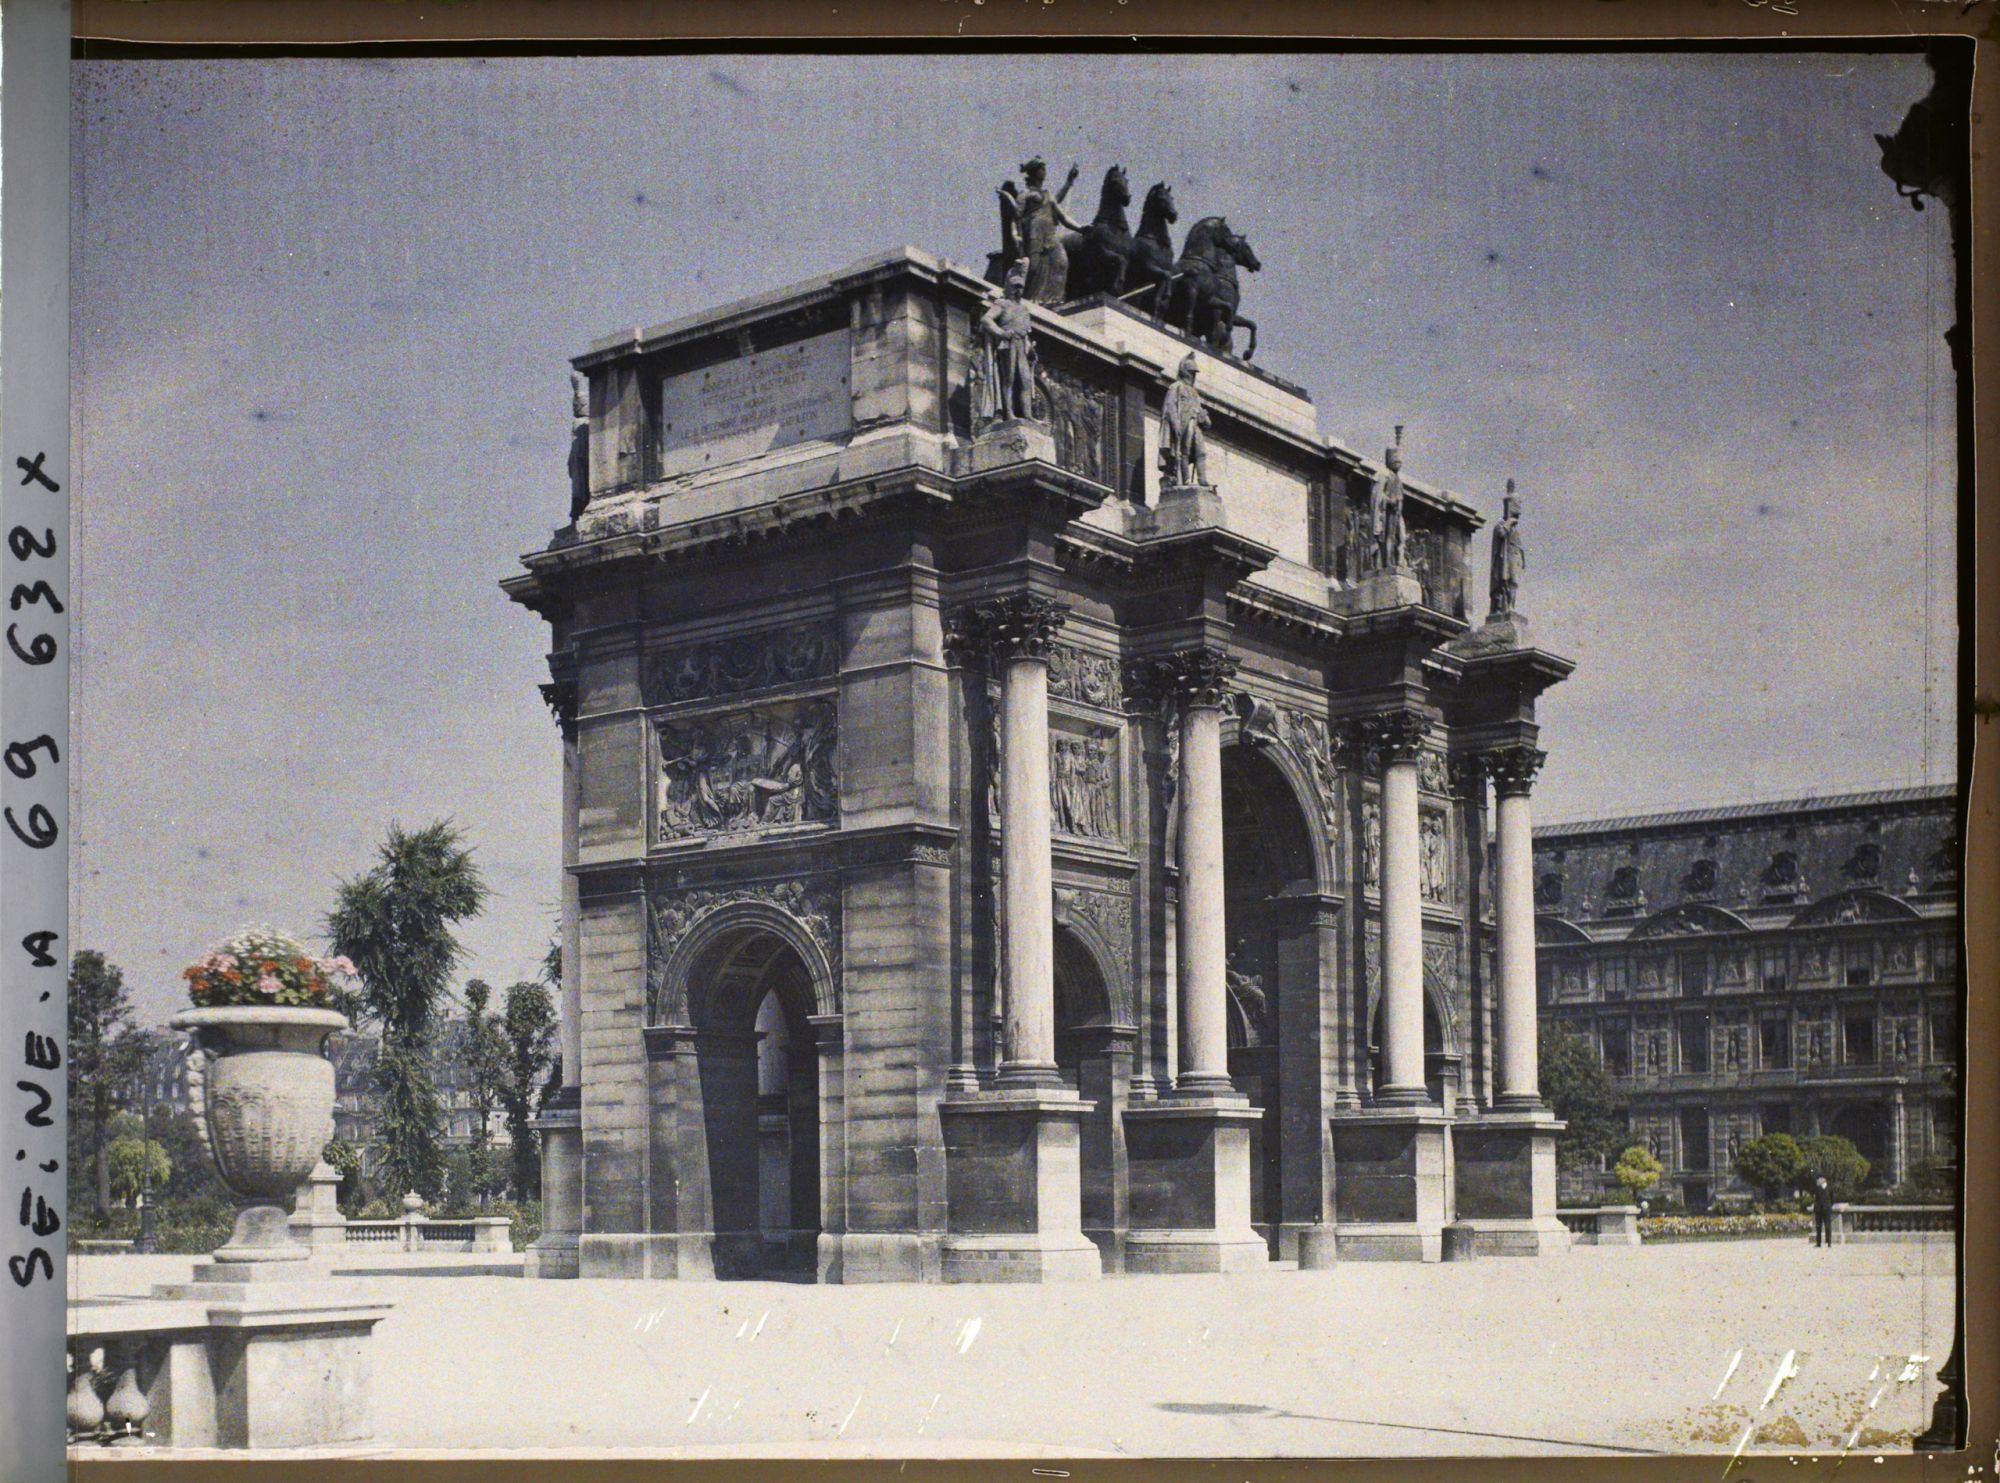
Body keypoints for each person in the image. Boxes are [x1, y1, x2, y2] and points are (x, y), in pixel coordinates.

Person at [1811, 1174, 1834, 1247]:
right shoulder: (1819, 1188)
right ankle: (1822, 1242)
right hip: (1822, 1209)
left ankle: (1827, 1241)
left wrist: (1829, 1206)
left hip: (1823, 1209)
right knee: (1820, 1226)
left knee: (1825, 1226)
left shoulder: (1828, 1188)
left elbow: (1833, 1199)